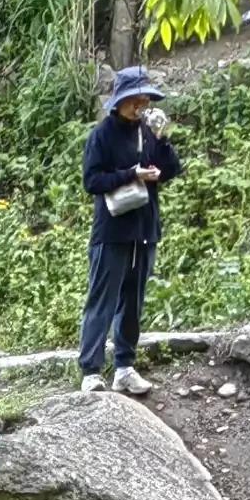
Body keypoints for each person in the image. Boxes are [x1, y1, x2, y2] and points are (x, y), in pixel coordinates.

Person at [76, 66, 180, 393]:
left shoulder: (148, 131)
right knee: (102, 300)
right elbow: (92, 181)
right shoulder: (102, 134)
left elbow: (171, 171)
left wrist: (162, 141)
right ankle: (91, 371)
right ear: (121, 101)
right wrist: (131, 174)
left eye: (145, 99)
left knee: (133, 301)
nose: (141, 105)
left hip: (144, 228)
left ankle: (125, 367)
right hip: (112, 231)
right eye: (136, 99)